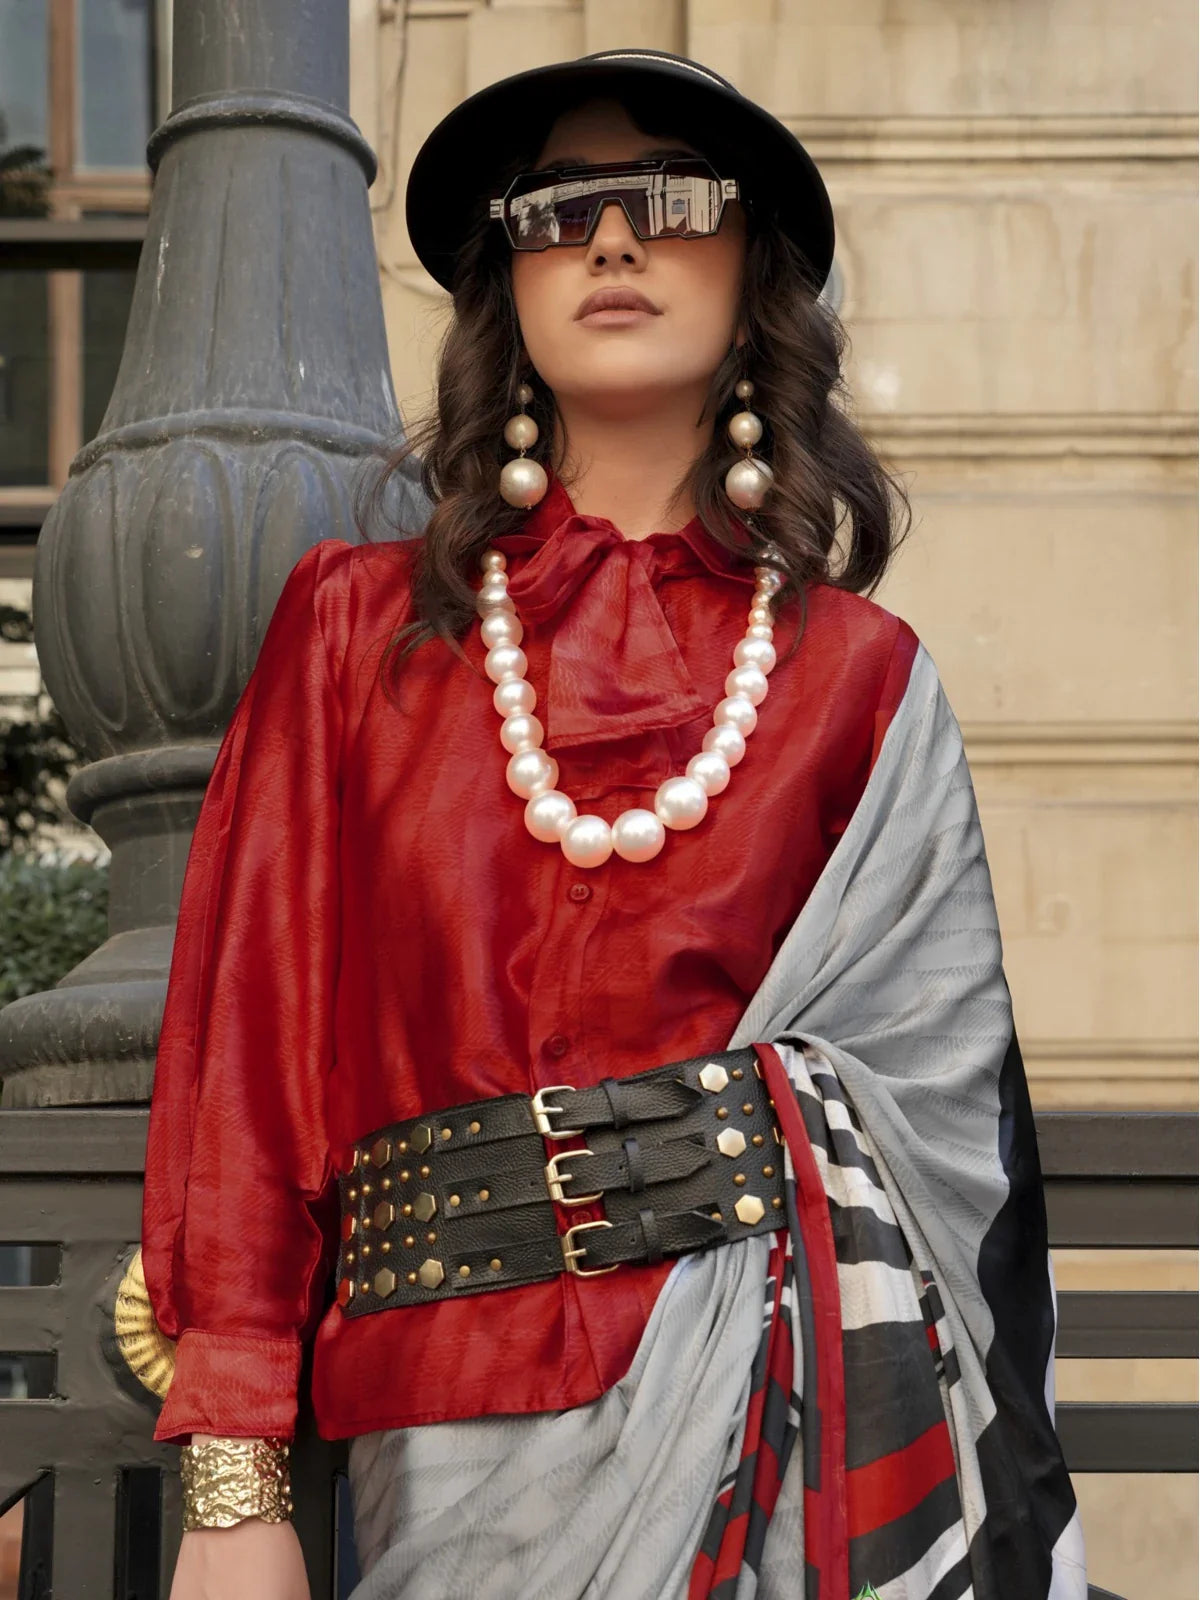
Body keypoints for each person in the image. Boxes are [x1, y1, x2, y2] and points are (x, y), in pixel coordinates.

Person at [138, 48, 1087, 1600]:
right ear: (504, 281)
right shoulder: (354, 634)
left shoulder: (858, 680)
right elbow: (250, 1064)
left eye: (672, 198)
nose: (613, 238)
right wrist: (234, 1487)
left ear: (757, 274)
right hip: (441, 1421)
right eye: (559, 206)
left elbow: (941, 1113)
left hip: (779, 1410)